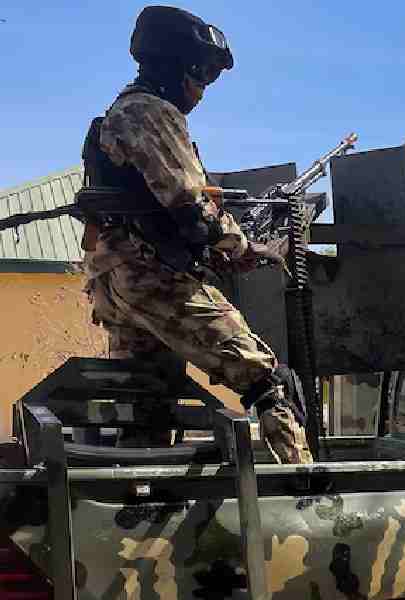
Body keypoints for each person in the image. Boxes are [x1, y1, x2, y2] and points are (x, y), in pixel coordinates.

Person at [80, 5, 313, 464]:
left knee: (145, 400)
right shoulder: (150, 110)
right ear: (176, 65)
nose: (204, 89)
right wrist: (243, 246)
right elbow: (188, 205)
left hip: (120, 282)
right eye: (203, 74)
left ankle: (136, 498)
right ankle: (309, 494)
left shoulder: (120, 113)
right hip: (154, 277)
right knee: (268, 382)